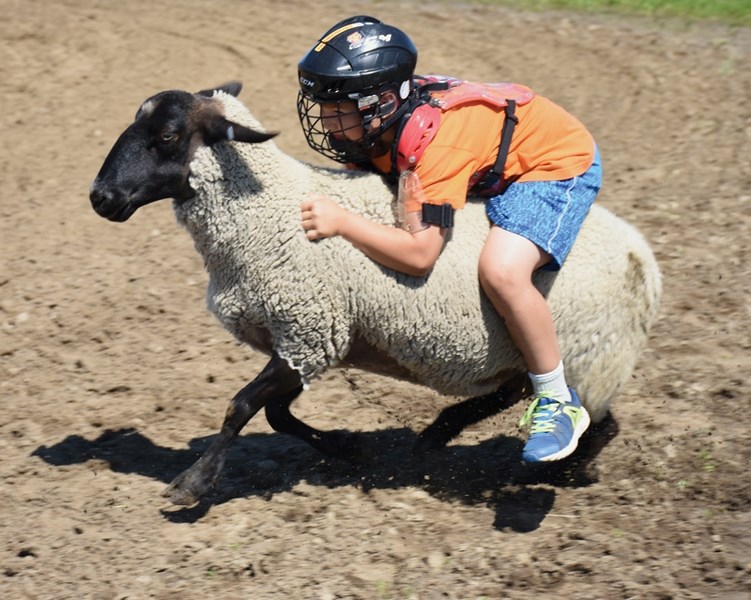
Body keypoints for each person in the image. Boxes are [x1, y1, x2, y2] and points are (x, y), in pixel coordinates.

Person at [296, 16, 601, 462]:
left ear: (379, 104)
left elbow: (420, 256)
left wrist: (343, 222)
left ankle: (557, 401)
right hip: (485, 153)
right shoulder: (386, 122)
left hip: (551, 164)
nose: (325, 122)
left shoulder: (434, 145)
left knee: (501, 271)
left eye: (337, 111)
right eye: (322, 108)